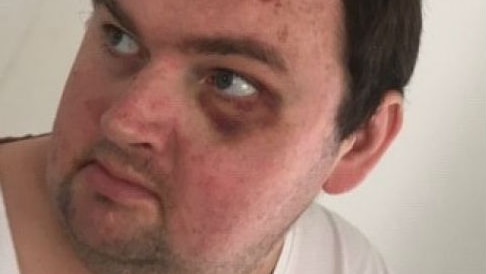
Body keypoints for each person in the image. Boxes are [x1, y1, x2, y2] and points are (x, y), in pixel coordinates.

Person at [0, 0, 422, 273]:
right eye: (119, 38)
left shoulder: (343, 263)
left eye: (230, 82)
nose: (123, 122)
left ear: (361, 143)